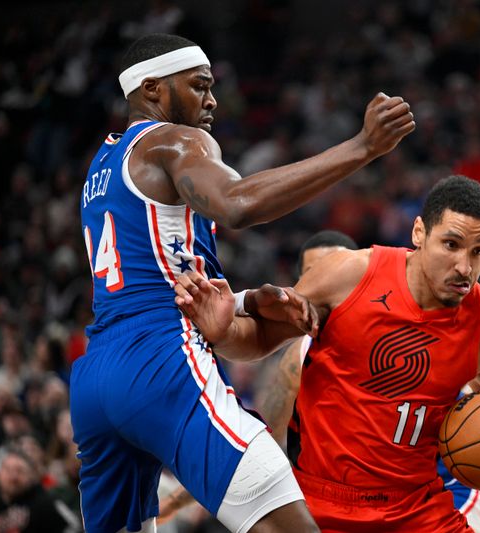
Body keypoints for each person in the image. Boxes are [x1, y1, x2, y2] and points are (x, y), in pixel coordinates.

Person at [174, 176, 480, 531]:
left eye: (478, 251)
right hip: (318, 499)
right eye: (451, 244)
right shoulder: (347, 274)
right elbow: (259, 340)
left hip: (415, 507)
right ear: (418, 234)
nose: (464, 265)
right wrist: (222, 333)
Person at [71, 32, 415, 533]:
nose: (212, 100)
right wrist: (362, 148)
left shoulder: (100, 169)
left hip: (96, 377)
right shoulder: (174, 140)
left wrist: (246, 300)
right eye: (198, 85)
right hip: (158, 360)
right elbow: (237, 204)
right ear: (151, 90)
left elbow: (158, 284)